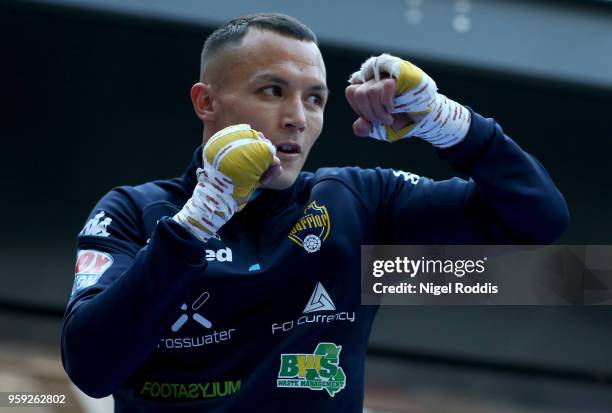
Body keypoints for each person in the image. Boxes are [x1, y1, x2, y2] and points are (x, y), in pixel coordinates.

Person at [61, 13, 569, 412]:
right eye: (272, 91)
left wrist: (445, 123)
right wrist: (193, 225)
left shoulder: (358, 200)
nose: (297, 119)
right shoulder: (134, 210)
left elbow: (539, 221)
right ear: (206, 102)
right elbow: (91, 368)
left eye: (316, 99)